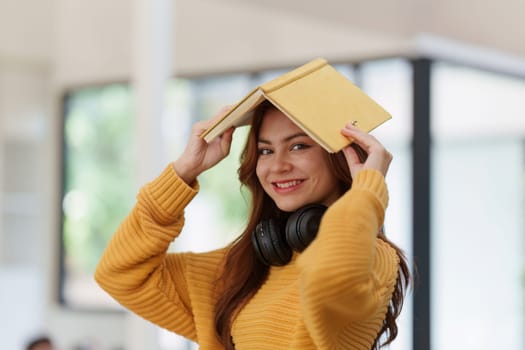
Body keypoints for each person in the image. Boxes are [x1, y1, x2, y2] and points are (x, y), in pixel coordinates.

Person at [95, 100, 411, 349]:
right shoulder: (242, 268)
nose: (277, 166)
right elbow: (120, 273)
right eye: (265, 150)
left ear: (342, 157)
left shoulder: (375, 259)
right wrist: (183, 172)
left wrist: (366, 191)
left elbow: (329, 276)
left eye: (299, 146)